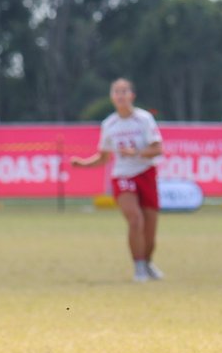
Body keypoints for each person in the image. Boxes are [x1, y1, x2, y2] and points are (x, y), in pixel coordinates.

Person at [70, 78, 165, 282]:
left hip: (146, 173)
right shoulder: (109, 124)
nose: (120, 95)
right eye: (116, 92)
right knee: (135, 220)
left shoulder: (144, 119)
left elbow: (158, 149)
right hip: (122, 176)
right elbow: (103, 157)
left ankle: (148, 262)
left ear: (132, 95)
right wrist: (83, 164)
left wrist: (137, 152)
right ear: (112, 97)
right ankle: (138, 266)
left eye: (124, 91)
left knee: (150, 229)